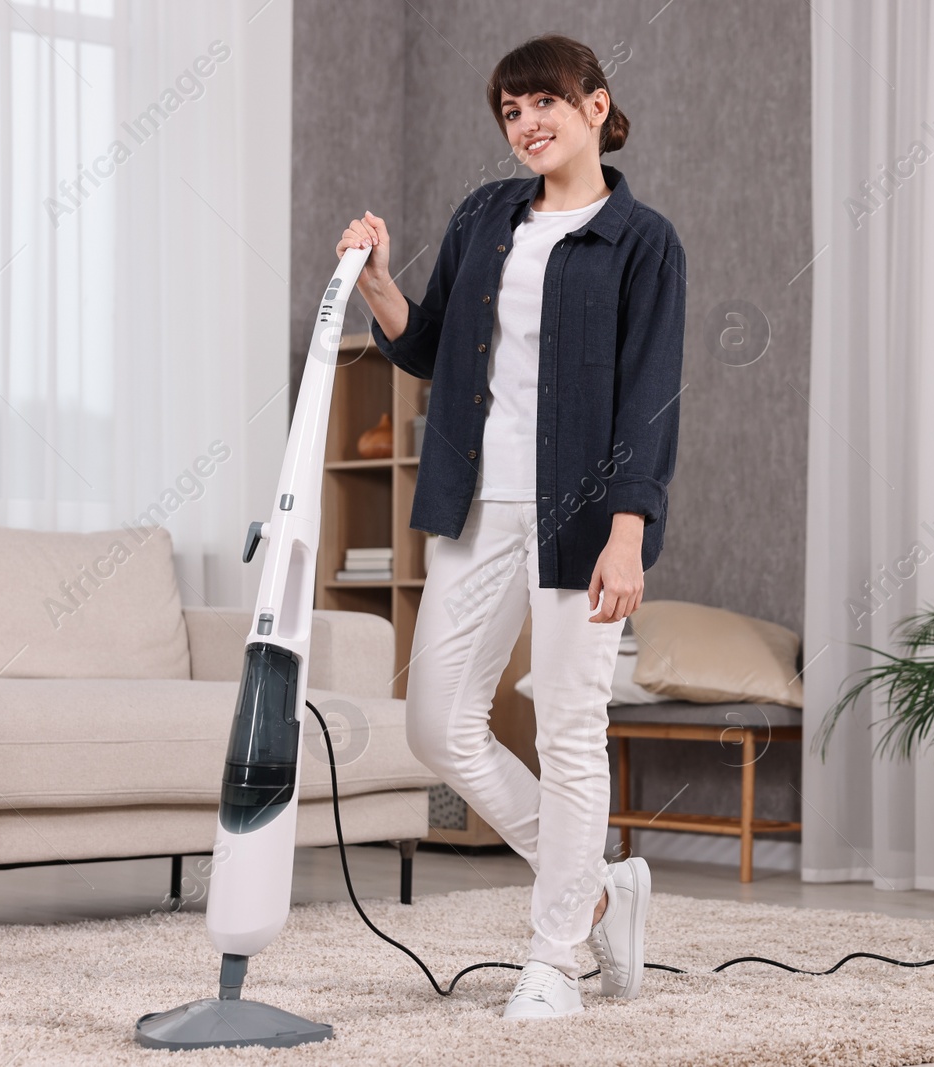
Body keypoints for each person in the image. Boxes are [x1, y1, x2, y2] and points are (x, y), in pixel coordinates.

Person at [335, 32, 686, 1020]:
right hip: (474, 497)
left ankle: (554, 952)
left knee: (570, 724)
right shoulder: (485, 216)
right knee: (436, 720)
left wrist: (629, 531)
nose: (527, 124)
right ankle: (599, 892)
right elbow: (428, 347)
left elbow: (650, 395)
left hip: (584, 512)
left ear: (594, 107)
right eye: (511, 111)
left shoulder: (642, 239)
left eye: (544, 104)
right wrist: (377, 280)